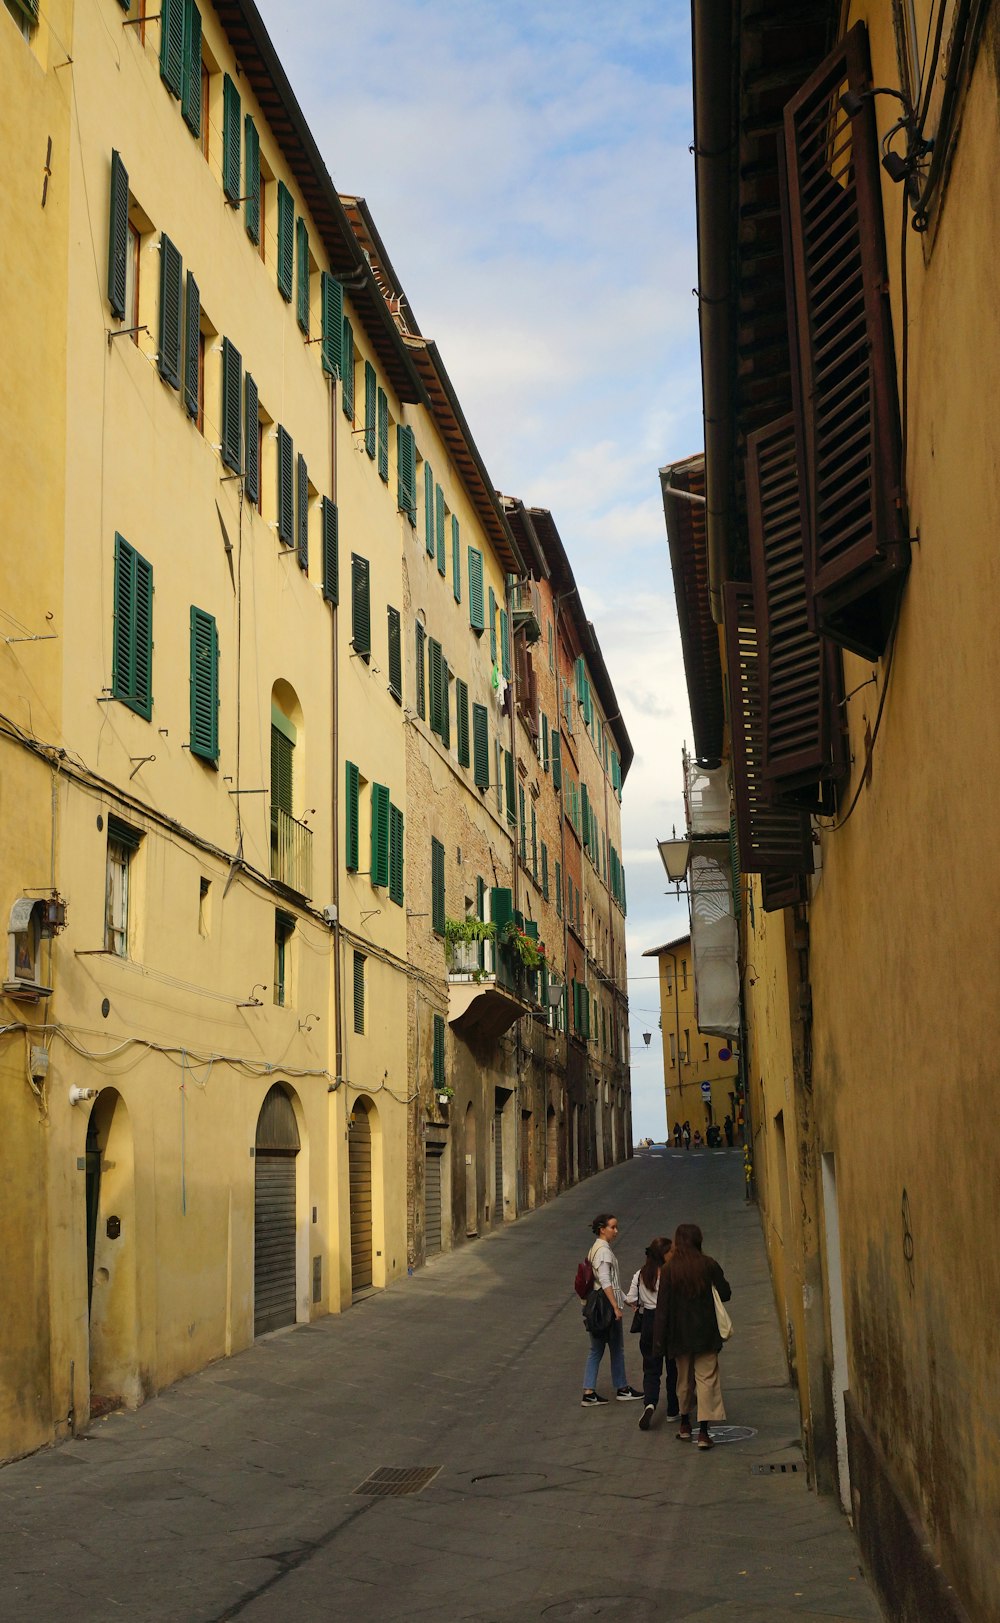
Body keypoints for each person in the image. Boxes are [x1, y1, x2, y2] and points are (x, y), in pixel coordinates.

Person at [651, 1222, 732, 1449]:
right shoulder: (708, 1264)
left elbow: (662, 1309)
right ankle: (704, 1433)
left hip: (679, 1335)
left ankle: (685, 1424)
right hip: (706, 1333)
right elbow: (725, 1293)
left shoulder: (669, 1270)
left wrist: (659, 1341)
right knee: (707, 1380)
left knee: (683, 1381)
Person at [581, 1214, 643, 1407]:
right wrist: (616, 1307)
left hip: (598, 1306)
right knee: (617, 1349)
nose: (616, 1231)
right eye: (613, 1227)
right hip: (605, 1309)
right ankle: (622, 1388)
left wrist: (626, 1300)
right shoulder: (603, 1252)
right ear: (602, 1229)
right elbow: (606, 1282)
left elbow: (610, 1284)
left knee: (596, 1349)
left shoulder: (596, 1249)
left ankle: (589, 1392)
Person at [624, 1237, 677, 1431]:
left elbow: (630, 1298)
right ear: (663, 1254)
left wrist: (640, 1303)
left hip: (648, 1323)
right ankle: (673, 1410)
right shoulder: (670, 1274)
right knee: (673, 1368)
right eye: (671, 1251)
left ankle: (650, 1403)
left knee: (651, 1368)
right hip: (668, 1322)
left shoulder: (640, 1274)